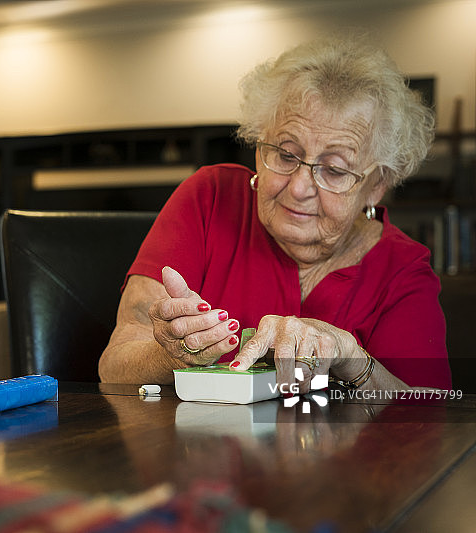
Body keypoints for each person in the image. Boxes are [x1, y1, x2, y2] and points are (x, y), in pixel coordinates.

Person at [98, 36, 451, 393]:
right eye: (285, 155)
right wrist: (173, 356)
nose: (299, 187)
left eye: (334, 169)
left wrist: (352, 360)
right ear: (257, 145)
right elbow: (114, 365)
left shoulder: (402, 269)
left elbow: (431, 415)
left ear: (376, 185)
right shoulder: (209, 199)